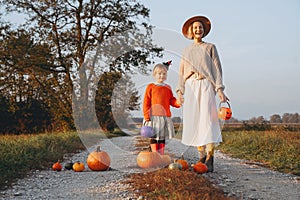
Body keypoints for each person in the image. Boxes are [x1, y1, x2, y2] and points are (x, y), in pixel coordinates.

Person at [176, 16, 229, 172]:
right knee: (195, 121)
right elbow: (181, 71)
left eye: (200, 27)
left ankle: (210, 157)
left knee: (208, 120)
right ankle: (201, 156)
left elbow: (217, 69)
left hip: (206, 85)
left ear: (204, 31)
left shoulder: (210, 47)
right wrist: (180, 90)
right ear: (191, 31)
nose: (198, 29)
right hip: (191, 85)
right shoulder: (187, 50)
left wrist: (219, 89)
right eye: (195, 28)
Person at [143, 61, 180, 155]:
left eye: (164, 74)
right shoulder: (151, 87)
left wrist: (178, 102)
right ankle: (155, 154)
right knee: (154, 136)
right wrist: (147, 115)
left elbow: (171, 100)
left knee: (162, 137)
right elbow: (146, 103)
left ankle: (161, 154)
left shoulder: (168, 87)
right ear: (154, 74)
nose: (162, 76)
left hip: (164, 116)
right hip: (153, 116)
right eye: (159, 74)